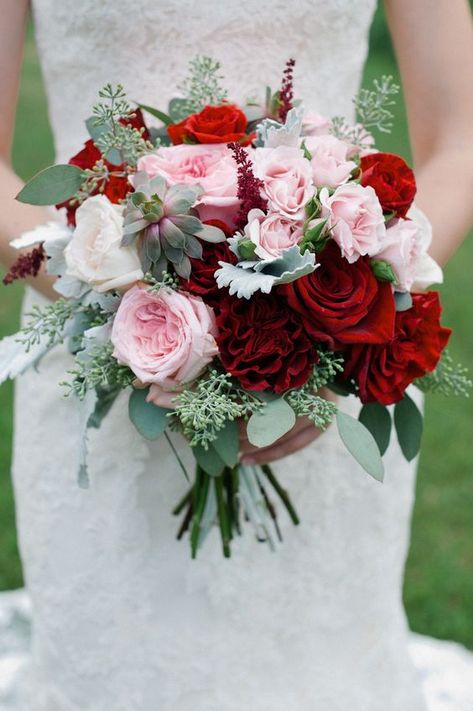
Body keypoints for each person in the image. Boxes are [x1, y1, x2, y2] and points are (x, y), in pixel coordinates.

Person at [0, 1, 472, 709]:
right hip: (96, 352)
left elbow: (460, 138)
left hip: (331, 371)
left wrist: (343, 322)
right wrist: (124, 293)